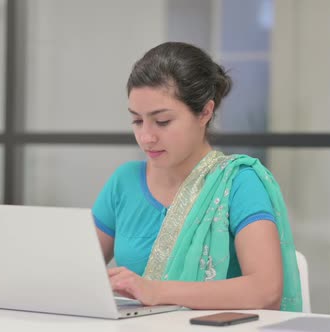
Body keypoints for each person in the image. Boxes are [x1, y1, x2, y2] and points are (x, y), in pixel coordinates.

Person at [92, 42, 302, 312]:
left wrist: (156, 291)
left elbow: (265, 290)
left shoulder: (238, 183)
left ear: (205, 112)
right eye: (137, 121)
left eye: (163, 121)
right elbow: (76, 273)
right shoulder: (125, 182)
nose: (146, 137)